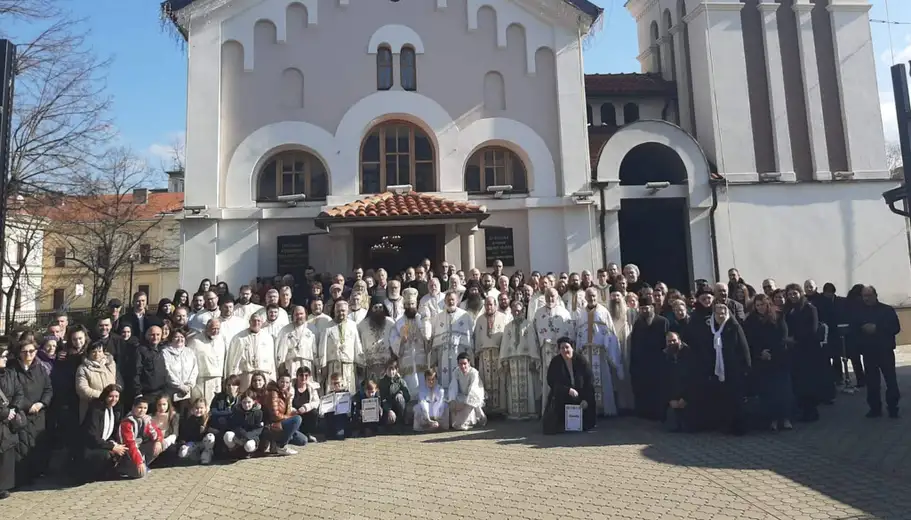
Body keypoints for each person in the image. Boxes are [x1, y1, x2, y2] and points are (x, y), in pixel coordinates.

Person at [743, 294, 792, 431]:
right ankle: (772, 419)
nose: (760, 308)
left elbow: (783, 336)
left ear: (768, 304)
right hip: (762, 361)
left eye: (762, 305)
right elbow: (749, 340)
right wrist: (760, 353)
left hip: (779, 358)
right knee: (768, 392)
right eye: (757, 305)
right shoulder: (750, 320)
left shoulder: (778, 316)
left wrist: (772, 352)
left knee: (783, 390)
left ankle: (785, 418)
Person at [574, 288, 623, 417]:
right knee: (587, 380)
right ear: (585, 297)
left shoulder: (603, 311)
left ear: (597, 296)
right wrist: (579, 348)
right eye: (589, 296)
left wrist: (608, 347)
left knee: (603, 378)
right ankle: (590, 409)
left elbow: (610, 332)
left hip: (600, 351)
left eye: (594, 296)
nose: (592, 298)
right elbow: (579, 333)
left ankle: (606, 409)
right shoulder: (581, 313)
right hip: (586, 352)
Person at [704, 302, 751, 435]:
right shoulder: (712, 329)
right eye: (718, 313)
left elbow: (744, 348)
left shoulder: (734, 327)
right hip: (720, 369)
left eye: (723, 313)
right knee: (724, 399)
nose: (721, 316)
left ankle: (739, 428)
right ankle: (726, 425)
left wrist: (746, 367)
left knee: (736, 399)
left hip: (734, 369)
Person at [854, 285, 901, 418]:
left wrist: (877, 328)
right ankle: (875, 408)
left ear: (875, 295)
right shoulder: (859, 312)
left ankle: (893, 407)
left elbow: (895, 328)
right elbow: (855, 329)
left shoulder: (886, 310)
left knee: (890, 380)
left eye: (869, 296)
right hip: (868, 351)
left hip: (885, 350)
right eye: (864, 296)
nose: (867, 299)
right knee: (872, 382)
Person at [531, 288, 574, 410]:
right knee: (548, 378)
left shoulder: (564, 313)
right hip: (546, 351)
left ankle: (563, 408)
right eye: (548, 296)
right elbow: (534, 334)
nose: (550, 299)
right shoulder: (538, 313)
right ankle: (548, 409)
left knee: (562, 376)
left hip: (561, 351)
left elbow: (570, 332)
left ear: (557, 297)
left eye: (553, 296)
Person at [543, 337, 596, 434]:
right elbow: (552, 381)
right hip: (563, 395)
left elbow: (589, 381)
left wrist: (586, 399)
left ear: (572, 348)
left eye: (567, 347)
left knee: (587, 419)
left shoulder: (581, 360)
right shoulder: (555, 362)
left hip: (580, 395)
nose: (565, 350)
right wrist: (567, 390)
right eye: (562, 348)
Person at [629, 296, 670, 421]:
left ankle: (658, 413)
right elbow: (634, 343)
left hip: (658, 362)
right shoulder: (638, 323)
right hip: (642, 363)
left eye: (647, 308)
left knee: (658, 389)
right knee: (644, 389)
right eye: (642, 309)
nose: (645, 311)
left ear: (652, 308)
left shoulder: (662, 322)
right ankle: (645, 413)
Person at [499, 300, 539, 420]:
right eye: (514, 311)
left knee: (528, 385)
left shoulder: (529, 325)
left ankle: (529, 412)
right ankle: (514, 412)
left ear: (523, 311)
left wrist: (533, 360)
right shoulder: (508, 327)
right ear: (511, 312)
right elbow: (505, 345)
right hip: (512, 361)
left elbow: (533, 343)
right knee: (513, 386)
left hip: (526, 360)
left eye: (519, 310)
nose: (517, 313)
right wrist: (504, 362)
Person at [80, 384, 127, 483]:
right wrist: (112, 447)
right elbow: (92, 437)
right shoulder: (96, 410)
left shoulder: (115, 410)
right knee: (106, 455)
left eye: (116, 396)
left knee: (124, 449)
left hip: (103, 443)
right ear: (105, 396)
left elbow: (112, 433)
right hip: (90, 448)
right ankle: (94, 475)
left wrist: (115, 444)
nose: (114, 399)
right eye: (110, 396)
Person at [318, 301, 364, 393]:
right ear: (334, 311)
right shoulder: (327, 326)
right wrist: (323, 366)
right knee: (332, 392)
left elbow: (357, 345)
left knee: (350, 392)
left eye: (343, 311)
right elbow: (322, 346)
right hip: (333, 365)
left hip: (349, 365)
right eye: (338, 311)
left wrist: (360, 363)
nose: (341, 313)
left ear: (347, 311)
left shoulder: (353, 325)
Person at [662, 332, 703, 432]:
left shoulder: (689, 354)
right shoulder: (665, 356)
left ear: (679, 340)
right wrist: (670, 399)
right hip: (674, 397)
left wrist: (685, 398)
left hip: (689, 396)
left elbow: (694, 380)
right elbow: (663, 381)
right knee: (671, 426)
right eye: (669, 341)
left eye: (674, 340)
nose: (672, 343)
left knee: (689, 426)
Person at [116, 397, 163, 479]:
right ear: (133, 407)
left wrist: (158, 441)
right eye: (140, 407)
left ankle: (143, 465)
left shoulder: (145, 419)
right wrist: (139, 461)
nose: (142, 410)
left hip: (138, 448)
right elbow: (130, 444)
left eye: (145, 408)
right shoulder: (127, 422)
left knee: (158, 445)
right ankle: (122, 469)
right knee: (140, 473)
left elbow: (158, 433)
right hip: (126, 453)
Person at [75, 340, 119, 422]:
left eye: (99, 351)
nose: (97, 354)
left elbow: (115, 383)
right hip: (91, 408)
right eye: (93, 352)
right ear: (89, 353)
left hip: (109, 406)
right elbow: (82, 390)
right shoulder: (83, 368)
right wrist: (103, 396)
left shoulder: (109, 365)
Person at [187, 318, 228, 406]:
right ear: (207, 328)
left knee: (216, 405)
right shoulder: (196, 341)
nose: (215, 331)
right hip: (203, 378)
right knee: (203, 404)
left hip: (217, 378)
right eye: (213, 328)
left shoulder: (221, 339)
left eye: (218, 329)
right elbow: (189, 361)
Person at [0, 346, 23, 499]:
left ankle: (3, 486)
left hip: (8, 423)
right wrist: (5, 413)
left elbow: (19, 392)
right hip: (2, 417)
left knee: (7, 454)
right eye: (2, 356)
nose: (5, 359)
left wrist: (14, 409)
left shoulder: (10, 373)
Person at [262, 377, 302, 454]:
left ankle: (276, 443)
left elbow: (288, 412)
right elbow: (275, 415)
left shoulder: (286, 394)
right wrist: (290, 418)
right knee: (297, 419)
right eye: (282, 382)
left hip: (281, 423)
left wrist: (289, 400)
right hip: (272, 425)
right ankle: (281, 446)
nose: (284, 384)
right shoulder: (273, 393)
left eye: (287, 382)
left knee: (302, 440)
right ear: (278, 382)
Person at [448, 352, 487, 431]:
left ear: (469, 363)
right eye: (460, 364)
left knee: (470, 402)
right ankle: (459, 422)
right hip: (463, 395)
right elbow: (453, 386)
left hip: (475, 395)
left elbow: (473, 389)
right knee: (454, 402)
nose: (463, 366)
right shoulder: (456, 372)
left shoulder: (474, 372)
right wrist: (452, 400)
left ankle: (475, 419)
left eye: (465, 363)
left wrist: (464, 403)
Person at [223, 391, 264, 458]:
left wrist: (248, 435)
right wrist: (242, 434)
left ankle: (249, 453)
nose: (246, 405)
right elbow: (234, 425)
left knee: (249, 446)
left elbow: (259, 428)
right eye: (244, 402)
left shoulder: (258, 413)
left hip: (252, 437)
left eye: (249, 402)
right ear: (241, 402)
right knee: (228, 435)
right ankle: (234, 451)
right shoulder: (237, 410)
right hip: (239, 435)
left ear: (254, 402)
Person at [176, 398, 217, 464]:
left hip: (205, 443)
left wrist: (206, 430)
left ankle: (207, 454)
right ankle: (195, 456)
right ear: (193, 409)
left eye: (201, 408)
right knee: (182, 453)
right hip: (194, 443)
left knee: (210, 436)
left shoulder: (209, 418)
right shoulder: (190, 420)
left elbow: (215, 431)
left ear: (205, 408)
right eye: (197, 408)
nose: (199, 410)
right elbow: (185, 434)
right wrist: (184, 443)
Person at [378, 360, 410, 431]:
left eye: (393, 369)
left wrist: (401, 393)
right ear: (386, 370)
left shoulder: (401, 381)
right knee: (391, 419)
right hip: (388, 409)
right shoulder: (382, 382)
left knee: (399, 397)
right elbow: (382, 399)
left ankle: (401, 422)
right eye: (389, 369)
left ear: (396, 370)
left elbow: (408, 397)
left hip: (400, 409)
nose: (391, 372)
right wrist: (389, 410)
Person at [291, 366, 320, 443]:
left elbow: (316, 402)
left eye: (306, 375)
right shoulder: (291, 387)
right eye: (301, 375)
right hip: (293, 413)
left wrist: (305, 407)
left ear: (309, 377)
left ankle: (307, 433)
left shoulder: (311, 388)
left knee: (314, 413)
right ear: (297, 376)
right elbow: (287, 402)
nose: (304, 377)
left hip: (305, 413)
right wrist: (293, 410)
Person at [321, 373, 351, 441]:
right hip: (332, 417)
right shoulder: (329, 394)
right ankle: (331, 432)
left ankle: (342, 431)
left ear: (342, 382)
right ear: (331, 384)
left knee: (340, 436)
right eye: (334, 383)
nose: (336, 385)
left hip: (342, 417)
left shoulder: (346, 393)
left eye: (338, 383)